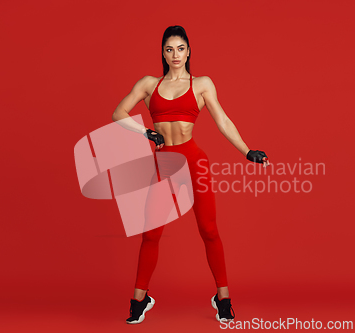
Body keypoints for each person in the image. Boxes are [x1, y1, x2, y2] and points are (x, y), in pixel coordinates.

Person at [111, 25, 269, 324]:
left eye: (180, 48)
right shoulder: (149, 84)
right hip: (164, 164)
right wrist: (144, 131)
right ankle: (139, 299)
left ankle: (223, 299)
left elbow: (223, 120)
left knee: (209, 231)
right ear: (162, 52)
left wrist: (247, 151)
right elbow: (118, 113)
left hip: (194, 161)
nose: (175, 55)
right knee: (151, 234)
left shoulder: (202, 84)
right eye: (169, 49)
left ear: (189, 51)